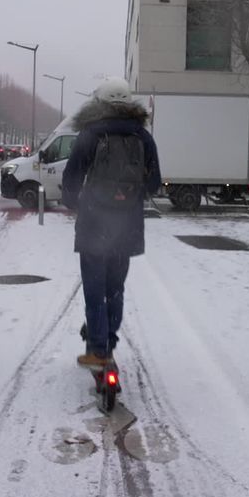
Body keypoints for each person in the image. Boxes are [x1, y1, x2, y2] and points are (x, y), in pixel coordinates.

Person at [62, 77, 161, 368]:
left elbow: (71, 178)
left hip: (94, 225)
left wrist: (74, 202)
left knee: (94, 290)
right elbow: (154, 184)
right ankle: (110, 342)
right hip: (127, 228)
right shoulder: (144, 137)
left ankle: (97, 349)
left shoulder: (91, 133)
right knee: (115, 289)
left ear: (100, 103)